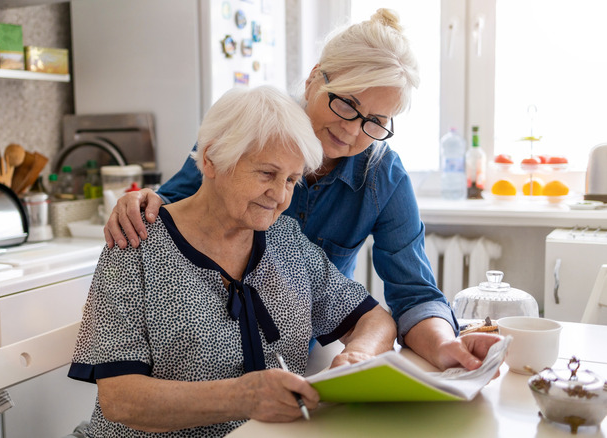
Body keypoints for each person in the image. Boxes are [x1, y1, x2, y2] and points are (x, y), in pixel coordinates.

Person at [103, 9, 501, 371]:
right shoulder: (248, 131)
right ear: (315, 78)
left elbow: (414, 294)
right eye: (347, 103)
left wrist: (446, 345)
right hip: (206, 356)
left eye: (375, 121)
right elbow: (175, 209)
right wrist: (140, 201)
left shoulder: (383, 177)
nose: (351, 129)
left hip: (301, 355)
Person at [68, 85, 397, 436]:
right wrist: (243, 397)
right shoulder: (136, 242)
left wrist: (358, 355)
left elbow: (374, 319)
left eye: (292, 179)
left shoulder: (287, 241)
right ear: (211, 159)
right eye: (267, 174)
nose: (280, 195)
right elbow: (120, 399)